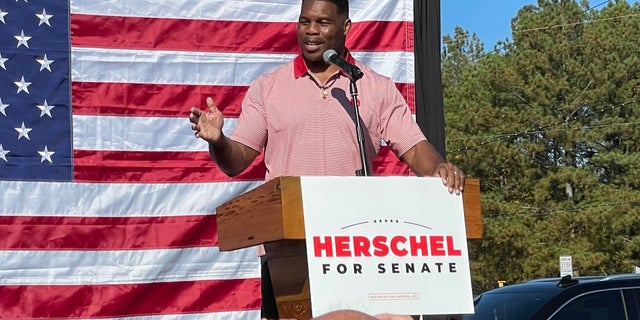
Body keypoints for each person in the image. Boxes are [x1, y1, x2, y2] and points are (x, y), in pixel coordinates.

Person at [189, 0, 466, 318]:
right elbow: (236, 160)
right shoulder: (267, 89)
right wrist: (219, 141)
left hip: (353, 252)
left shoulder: (375, 88)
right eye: (304, 21)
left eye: (322, 23)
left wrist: (439, 168)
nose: (310, 31)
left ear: (345, 27)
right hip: (287, 252)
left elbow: (416, 149)